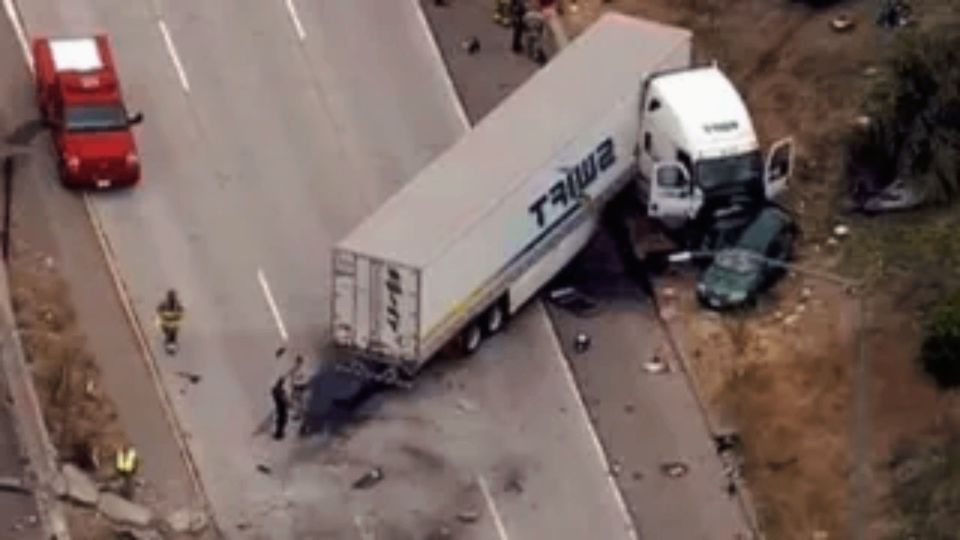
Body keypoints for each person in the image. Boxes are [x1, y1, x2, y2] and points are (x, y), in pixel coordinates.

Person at [156, 289, 185, 355]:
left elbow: (181, 313)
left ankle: (170, 346)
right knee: (170, 334)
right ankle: (170, 346)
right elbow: (159, 311)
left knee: (170, 334)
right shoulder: (165, 305)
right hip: (169, 324)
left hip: (170, 325)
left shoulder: (177, 305)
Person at [271, 376, 289, 440]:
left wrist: (286, 402)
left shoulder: (279, 390)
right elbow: (281, 398)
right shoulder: (277, 390)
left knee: (283, 419)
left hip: (281, 406)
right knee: (282, 419)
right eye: (282, 383)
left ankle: (280, 433)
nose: (282, 384)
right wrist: (286, 402)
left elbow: (283, 397)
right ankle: (278, 434)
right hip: (281, 406)